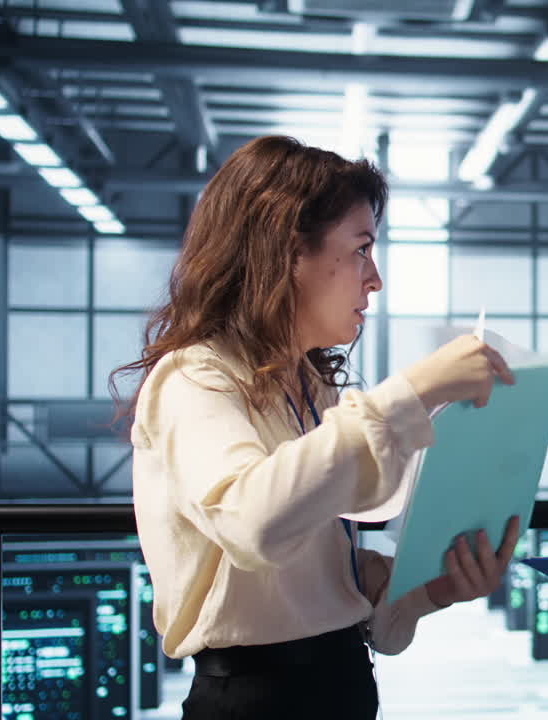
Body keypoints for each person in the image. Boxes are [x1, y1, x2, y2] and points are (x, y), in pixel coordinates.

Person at [112, 135, 520, 719]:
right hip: (256, 700)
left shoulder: (309, 387)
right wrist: (412, 392)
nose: (374, 278)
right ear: (288, 253)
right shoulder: (194, 378)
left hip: (339, 684)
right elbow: (255, 522)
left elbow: (320, 585)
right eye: (360, 249)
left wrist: (436, 589)